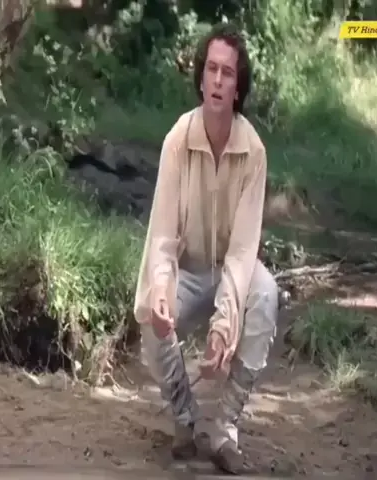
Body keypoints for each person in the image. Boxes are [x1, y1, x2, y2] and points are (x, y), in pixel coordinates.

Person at [133, 22, 279, 474]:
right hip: (189, 269)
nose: (217, 80)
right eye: (211, 69)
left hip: (232, 270)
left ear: (238, 88)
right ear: (200, 79)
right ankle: (185, 418)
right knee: (150, 310)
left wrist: (224, 322)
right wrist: (161, 288)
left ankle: (225, 427)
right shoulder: (178, 139)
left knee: (266, 294)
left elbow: (243, 250)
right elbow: (161, 235)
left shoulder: (253, 151)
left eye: (227, 73)